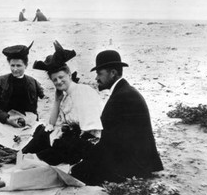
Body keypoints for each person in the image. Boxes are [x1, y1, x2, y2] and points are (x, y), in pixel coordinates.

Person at [70, 50, 163, 185]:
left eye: (99, 73)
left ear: (112, 73)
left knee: (79, 172)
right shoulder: (125, 91)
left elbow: (109, 141)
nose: (96, 78)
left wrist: (85, 157)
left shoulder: (122, 96)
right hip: (140, 160)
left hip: (135, 166)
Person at [22, 41, 103, 165]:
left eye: (61, 77)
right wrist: (57, 100)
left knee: (44, 155)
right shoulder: (65, 97)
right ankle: (26, 156)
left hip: (86, 143)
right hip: (71, 138)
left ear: (69, 75)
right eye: (54, 80)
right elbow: (52, 124)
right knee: (41, 134)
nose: (58, 82)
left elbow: (91, 130)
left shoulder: (82, 92)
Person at [0, 42, 44, 135]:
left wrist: (27, 121)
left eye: (19, 65)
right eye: (12, 65)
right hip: (0, 120)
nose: (15, 69)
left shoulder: (33, 82)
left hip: (22, 123)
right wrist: (7, 119)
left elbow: (33, 110)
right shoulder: (0, 81)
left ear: (26, 65)